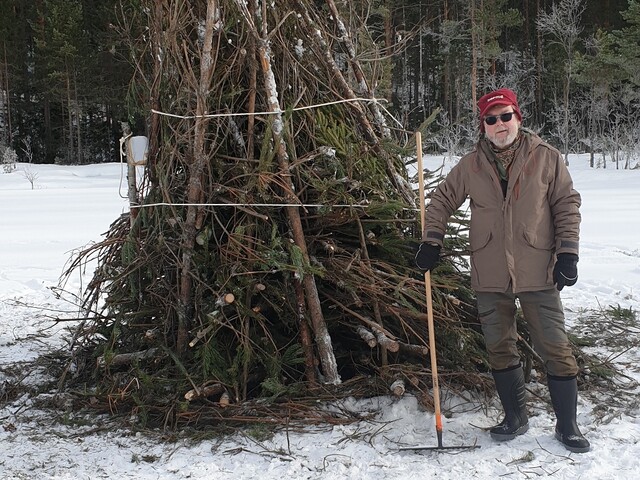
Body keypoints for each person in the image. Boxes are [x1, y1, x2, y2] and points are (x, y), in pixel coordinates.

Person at [415, 88, 590, 453]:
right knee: (498, 347)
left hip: (537, 267)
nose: (499, 124)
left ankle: (567, 425)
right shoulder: (471, 165)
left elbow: (566, 205)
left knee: (555, 347)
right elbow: (442, 199)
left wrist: (568, 253)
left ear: (518, 117)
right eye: (491, 119)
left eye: (505, 116)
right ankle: (515, 418)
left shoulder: (546, 158)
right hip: (489, 270)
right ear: (483, 126)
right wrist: (432, 240)